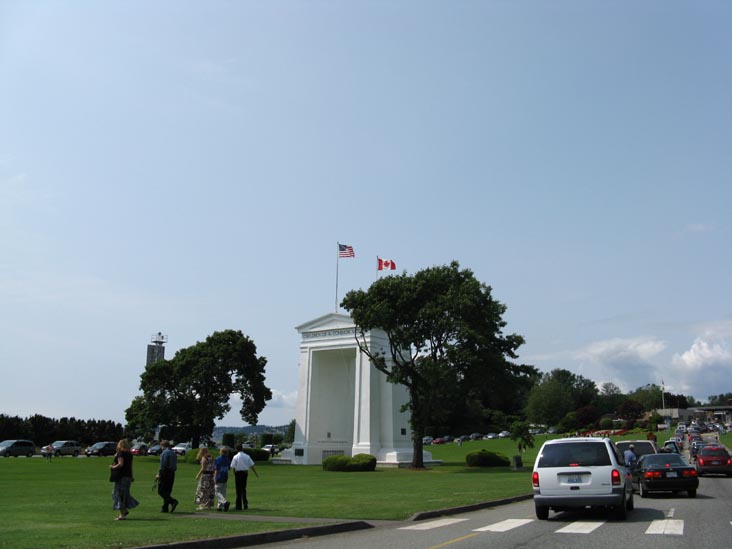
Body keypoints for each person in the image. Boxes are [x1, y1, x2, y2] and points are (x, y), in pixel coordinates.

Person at [110, 439, 139, 521]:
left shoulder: (120, 453)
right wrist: (132, 476)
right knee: (124, 494)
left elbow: (120, 464)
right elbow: (131, 466)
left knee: (117, 494)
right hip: (128, 476)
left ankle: (122, 514)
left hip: (121, 476)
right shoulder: (130, 454)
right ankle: (124, 510)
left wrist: (112, 467)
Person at [230, 443, 259, 510]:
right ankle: (245, 504)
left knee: (238, 489)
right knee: (243, 489)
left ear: (236, 449)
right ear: (242, 448)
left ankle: (238, 505)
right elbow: (252, 465)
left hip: (238, 473)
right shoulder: (247, 456)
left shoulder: (235, 457)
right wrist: (256, 474)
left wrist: (234, 474)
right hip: (245, 473)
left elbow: (233, 467)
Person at [156, 440, 179, 513]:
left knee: (161, 491)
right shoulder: (173, 453)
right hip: (172, 473)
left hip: (165, 472)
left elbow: (163, 465)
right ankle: (165, 507)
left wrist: (159, 474)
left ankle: (173, 501)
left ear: (162, 445)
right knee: (167, 491)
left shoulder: (164, 453)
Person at [214, 447, 231, 512]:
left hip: (219, 477)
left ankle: (224, 502)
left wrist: (215, 478)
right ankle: (220, 506)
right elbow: (229, 468)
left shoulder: (218, 459)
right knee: (223, 492)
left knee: (217, 491)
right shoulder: (227, 459)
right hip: (225, 476)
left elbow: (216, 470)